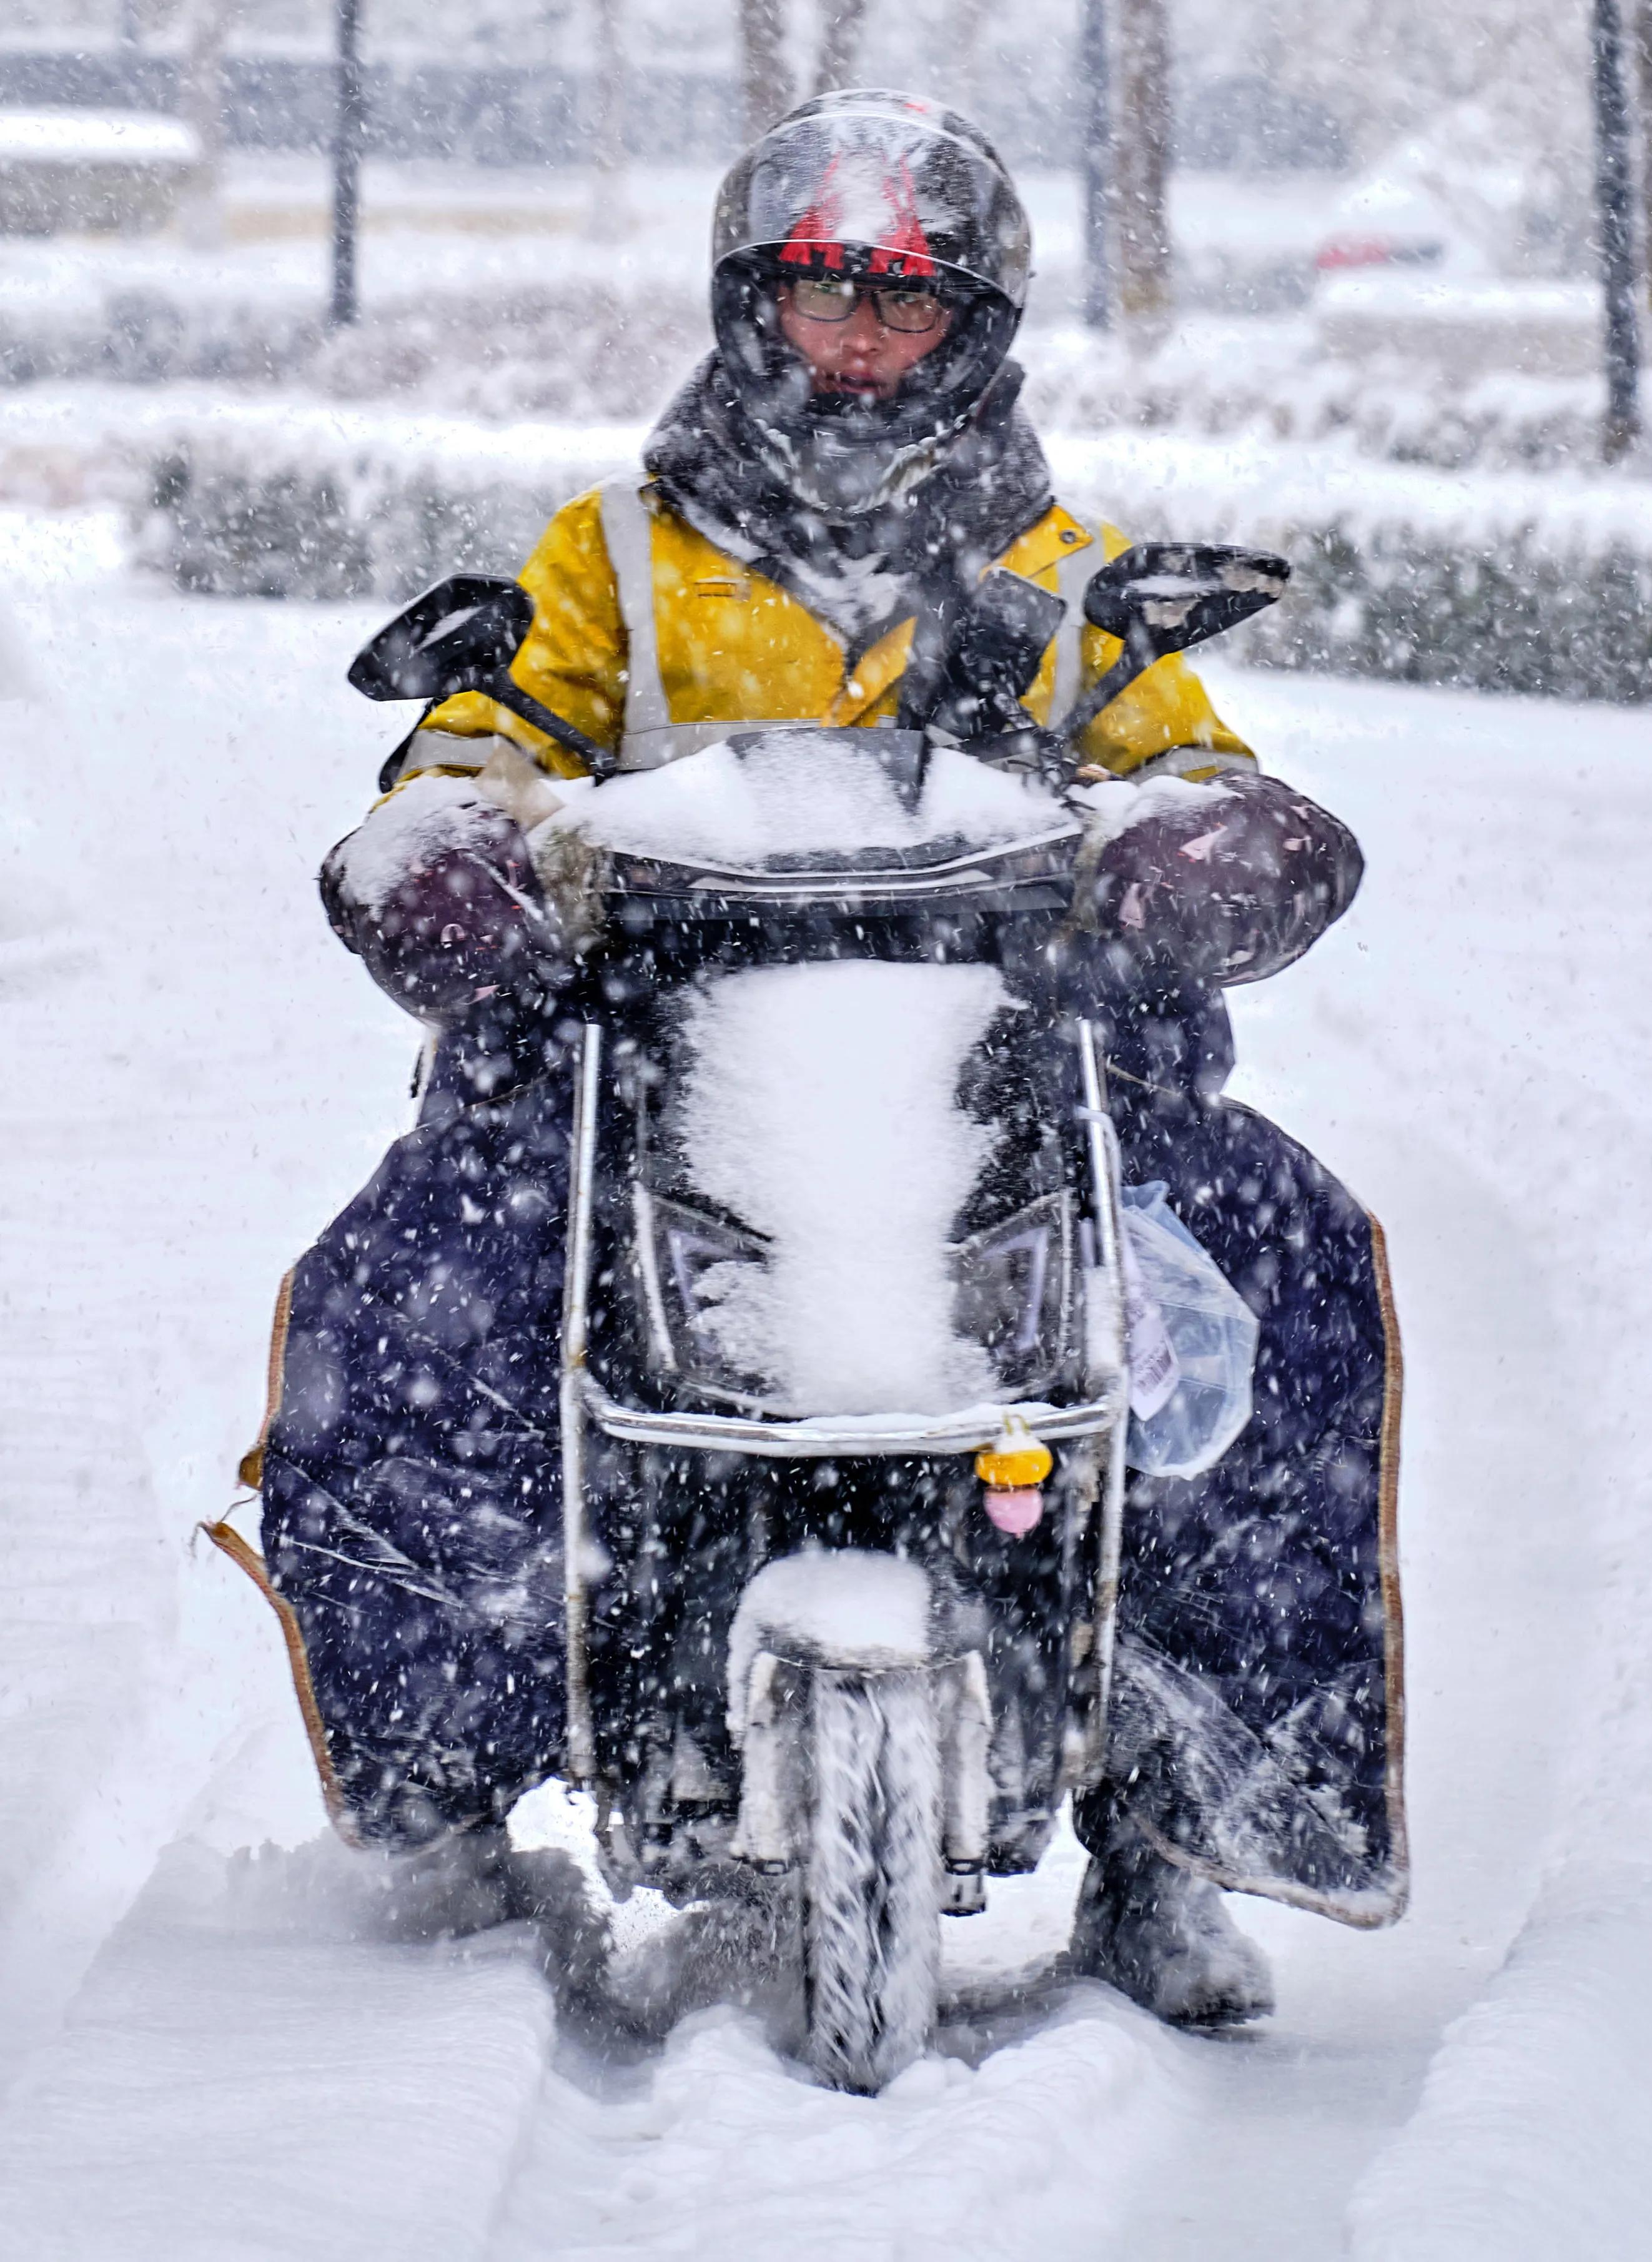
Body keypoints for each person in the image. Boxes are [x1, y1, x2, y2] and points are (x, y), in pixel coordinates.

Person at [241, 90, 1404, 2032]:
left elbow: (1193, 763)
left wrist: (1210, 847)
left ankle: (1182, 1825)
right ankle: (438, 1777)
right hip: (642, 1076)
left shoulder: (1061, 570)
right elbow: (475, 746)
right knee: (409, 1296)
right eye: (815, 295)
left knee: (1281, 1275)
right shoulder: (611, 552)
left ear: (977, 326)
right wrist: (450, 857)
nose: (854, 337)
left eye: (900, 301)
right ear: (744, 304)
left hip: (1010, 1083)